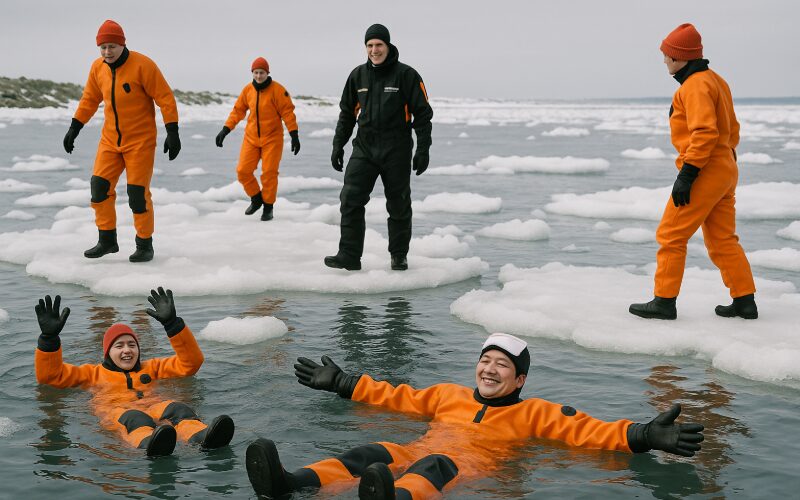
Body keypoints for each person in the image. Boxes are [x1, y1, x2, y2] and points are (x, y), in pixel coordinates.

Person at [245, 333, 704, 499]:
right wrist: (344, 383)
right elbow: (397, 397)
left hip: (474, 468)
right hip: (418, 447)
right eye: (486, 360)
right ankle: (290, 483)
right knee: (373, 451)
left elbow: (589, 432)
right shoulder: (448, 395)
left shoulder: (535, 414)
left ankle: (391, 499)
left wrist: (644, 435)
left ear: (519, 380)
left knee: (433, 467)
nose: (490, 369)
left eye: (502, 365)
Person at [630, 23, 757, 320]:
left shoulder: (695, 86)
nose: (664, 60)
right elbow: (731, 129)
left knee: (671, 235)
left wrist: (688, 174)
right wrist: (726, 162)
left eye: (666, 55)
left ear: (679, 56)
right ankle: (745, 300)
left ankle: (663, 301)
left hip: (705, 168)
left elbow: (704, 132)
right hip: (725, 167)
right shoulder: (716, 80)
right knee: (723, 238)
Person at [34, 288, 234, 457]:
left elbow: (191, 363)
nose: (127, 350)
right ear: (107, 353)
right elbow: (50, 376)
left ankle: (202, 437)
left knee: (179, 409)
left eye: (131, 344)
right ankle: (151, 444)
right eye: (119, 346)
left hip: (154, 405)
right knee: (135, 419)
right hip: (118, 411)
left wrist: (173, 325)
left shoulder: (152, 367)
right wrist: (48, 340)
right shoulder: (91, 373)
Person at [62, 20, 181, 263]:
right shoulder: (98, 68)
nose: (107, 52)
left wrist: (173, 131)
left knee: (137, 195)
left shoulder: (143, 66)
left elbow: (165, 98)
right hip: (109, 142)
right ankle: (107, 240)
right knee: (99, 188)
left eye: (112, 46)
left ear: (122, 44)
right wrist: (74, 128)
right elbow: (89, 100)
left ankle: (144, 245)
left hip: (140, 142)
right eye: (103, 47)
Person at [325, 24, 433, 271]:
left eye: (379, 45)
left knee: (398, 203)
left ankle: (398, 255)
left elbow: (423, 114)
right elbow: (346, 114)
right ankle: (349, 255)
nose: (374, 50)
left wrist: (423, 149)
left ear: (388, 45)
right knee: (350, 199)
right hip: (365, 147)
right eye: (370, 45)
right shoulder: (357, 76)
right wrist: (338, 145)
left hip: (397, 148)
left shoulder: (407, 75)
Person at [215, 57, 300, 221]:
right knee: (242, 171)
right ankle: (256, 198)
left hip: (272, 139)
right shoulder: (248, 90)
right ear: (252, 73)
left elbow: (288, 113)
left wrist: (294, 135)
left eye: (262, 73)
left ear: (267, 73)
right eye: (256, 72)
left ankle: (268, 207)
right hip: (251, 138)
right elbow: (238, 111)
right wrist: (225, 130)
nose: (259, 76)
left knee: (269, 173)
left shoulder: (278, 90)